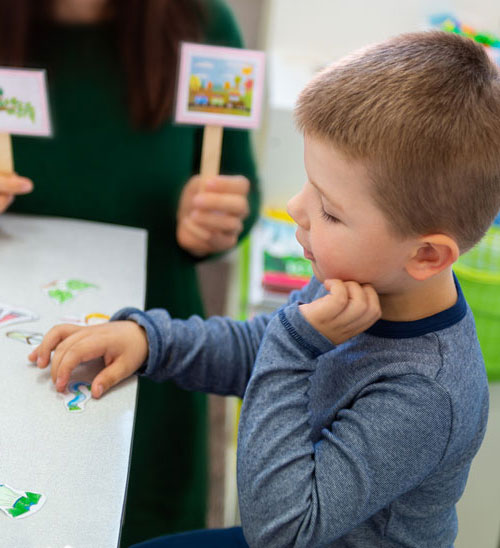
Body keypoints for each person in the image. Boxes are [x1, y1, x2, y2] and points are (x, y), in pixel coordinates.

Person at [29, 30, 500, 547]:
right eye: (308, 184)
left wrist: (295, 346)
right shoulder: (359, 280)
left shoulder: (426, 392)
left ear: (427, 255)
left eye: (329, 209)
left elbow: (282, 531)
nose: (297, 209)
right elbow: (267, 344)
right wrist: (152, 342)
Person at [0, 0, 260, 545]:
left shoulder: (204, 22)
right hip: (15, 357)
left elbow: (240, 186)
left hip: (152, 357)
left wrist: (216, 220)